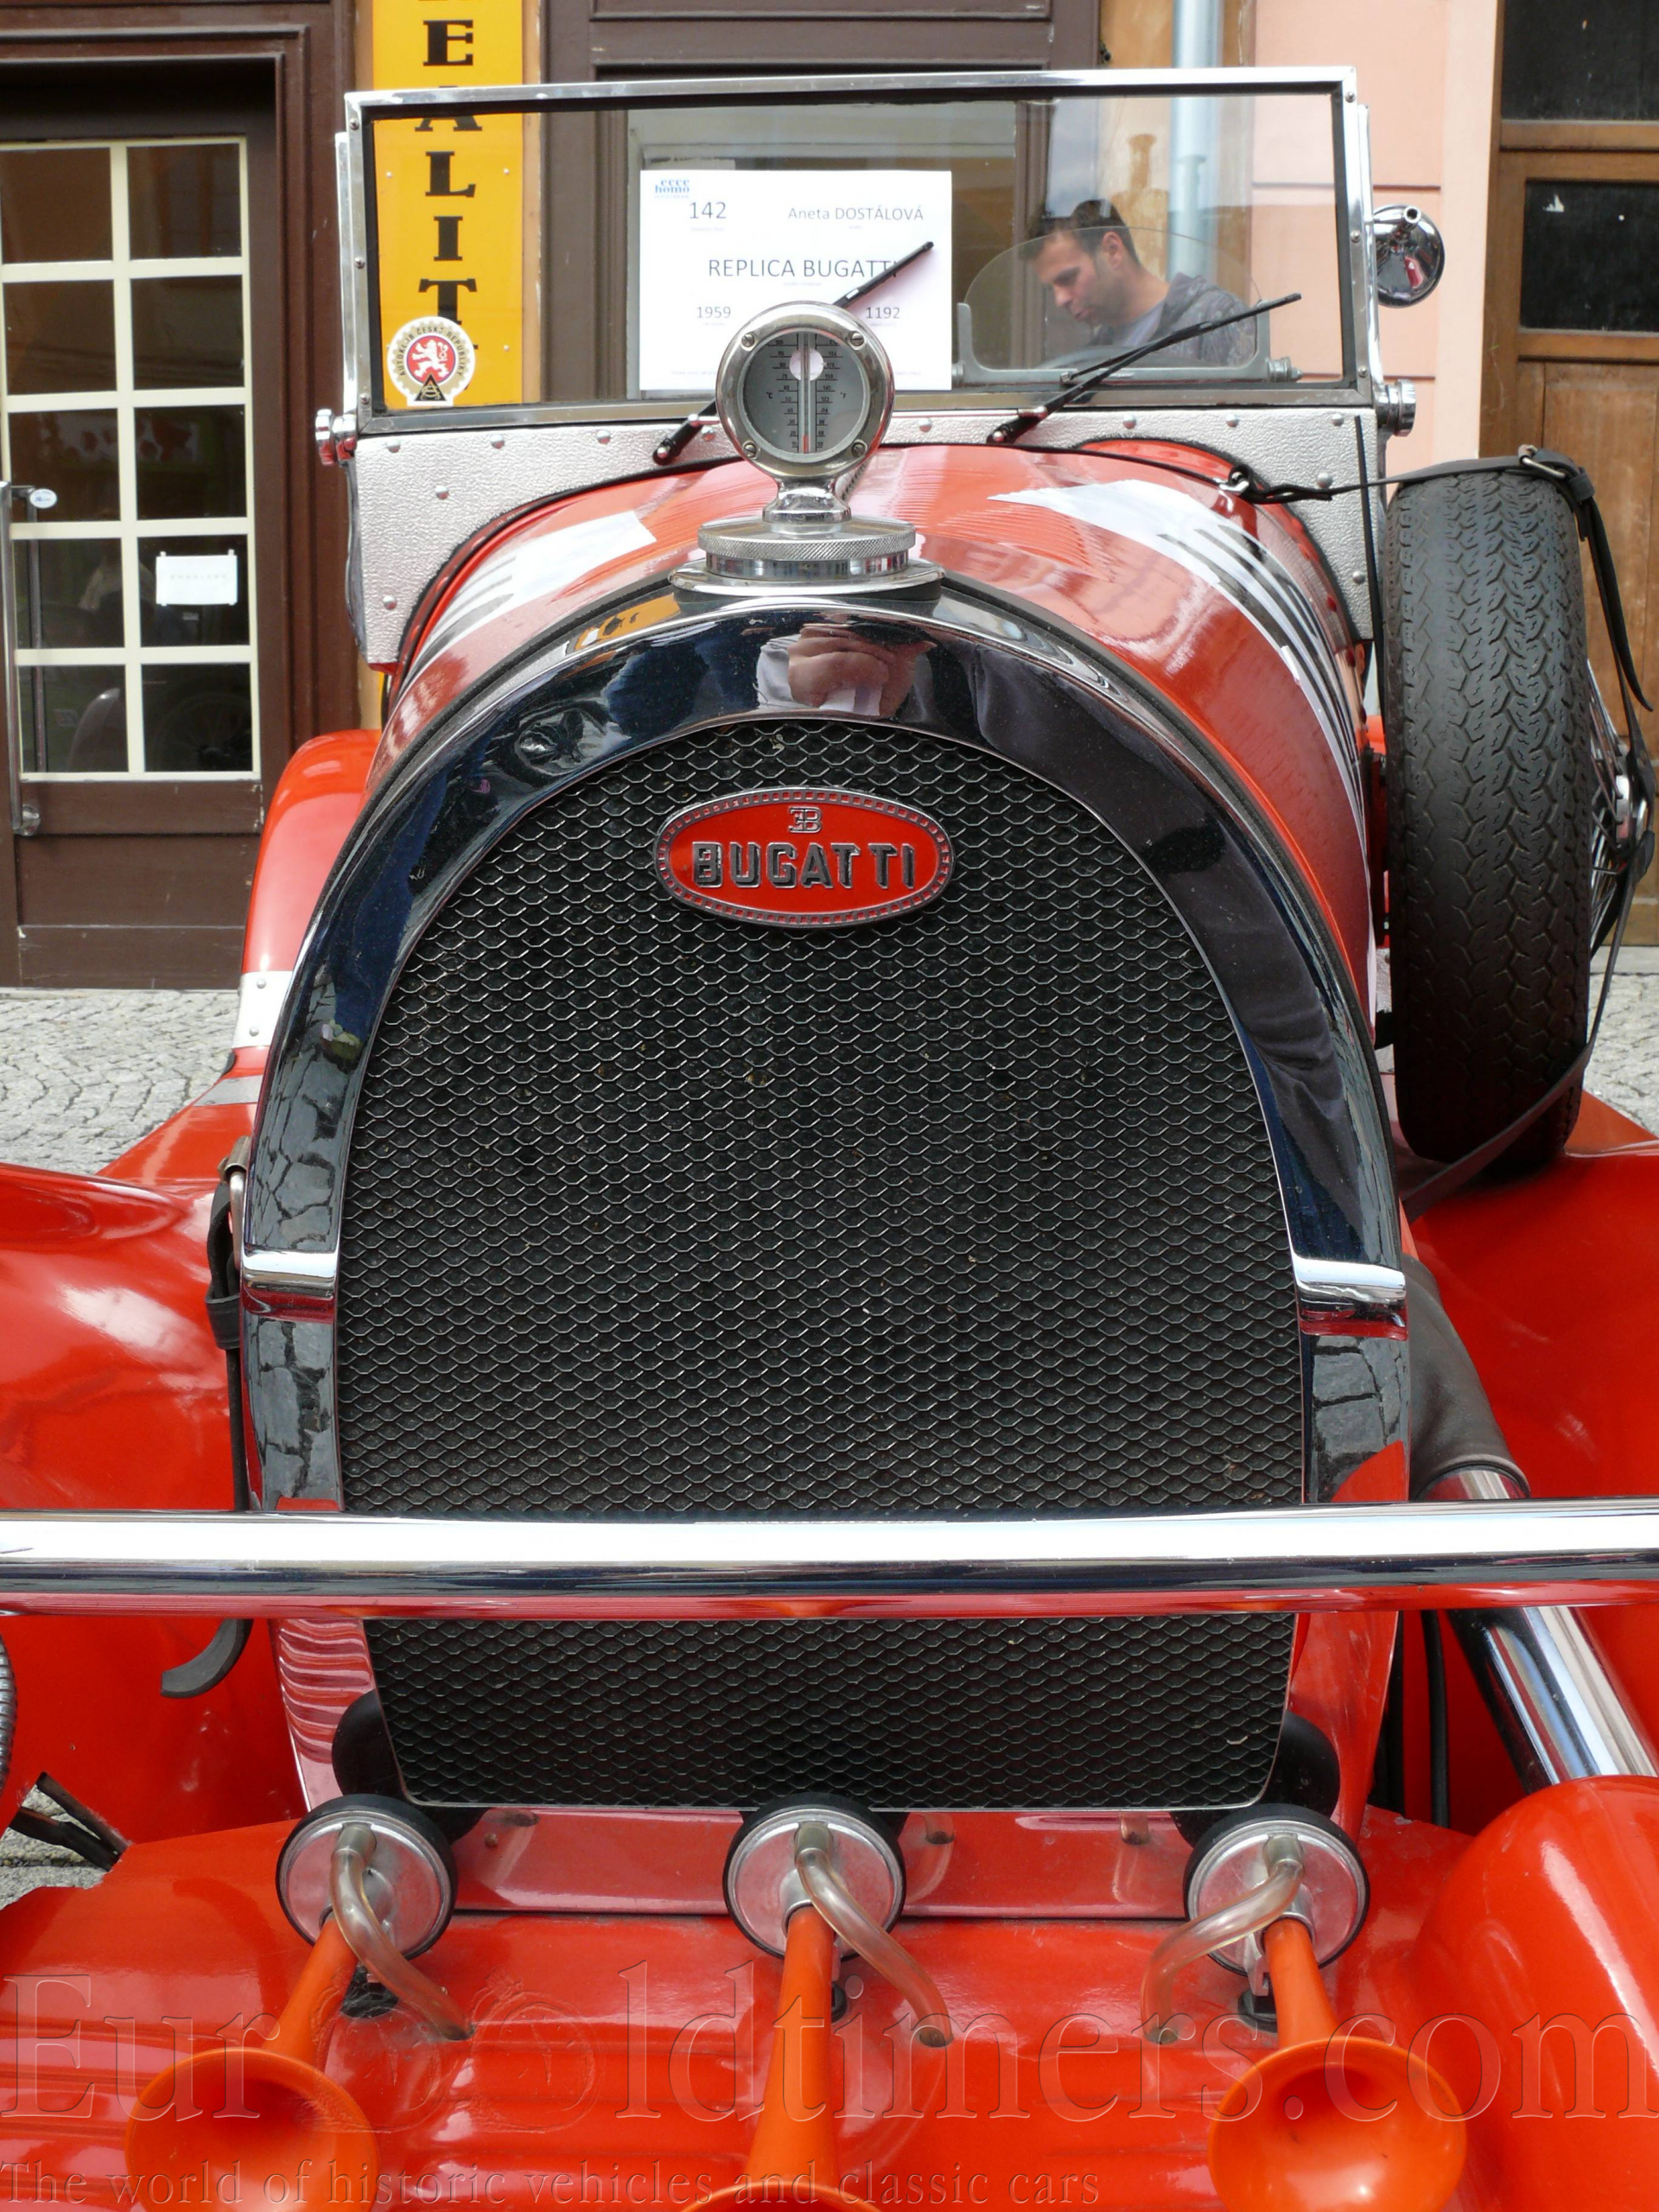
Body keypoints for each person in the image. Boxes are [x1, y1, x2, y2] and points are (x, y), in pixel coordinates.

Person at [1023, 200, 1255, 365]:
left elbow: (1242, 417)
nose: (1060, 299)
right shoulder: (1092, 357)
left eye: (1068, 279)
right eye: (1051, 288)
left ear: (1112, 250)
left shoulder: (1216, 319)